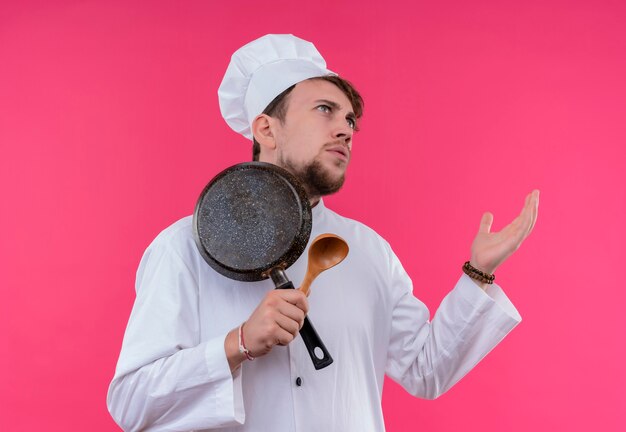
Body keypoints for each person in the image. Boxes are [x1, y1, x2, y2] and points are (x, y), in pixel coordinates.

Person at [107, 34, 539, 431]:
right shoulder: (186, 246)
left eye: (350, 120)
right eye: (324, 110)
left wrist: (478, 274)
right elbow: (131, 402)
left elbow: (426, 371)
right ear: (266, 129)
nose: (345, 130)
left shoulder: (369, 251)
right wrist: (237, 343)